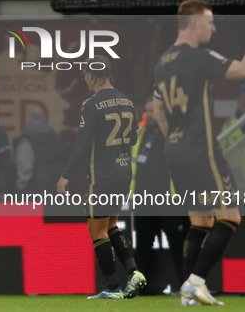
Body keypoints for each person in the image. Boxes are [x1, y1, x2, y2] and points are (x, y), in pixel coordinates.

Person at [153, 0, 245, 306]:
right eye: (210, 22)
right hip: (201, 150)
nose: (213, 28)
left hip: (174, 150)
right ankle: (196, 282)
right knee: (230, 217)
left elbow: (159, 112)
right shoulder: (197, 56)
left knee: (200, 222)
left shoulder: (162, 62)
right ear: (194, 23)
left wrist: (175, 139)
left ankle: (188, 295)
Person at [57, 55, 145, 300]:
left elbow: (83, 144)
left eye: (86, 73)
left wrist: (66, 175)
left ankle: (113, 288)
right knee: (111, 225)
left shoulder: (92, 104)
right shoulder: (127, 101)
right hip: (124, 173)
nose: (85, 78)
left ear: (93, 75)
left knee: (97, 232)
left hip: (102, 176)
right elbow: (134, 139)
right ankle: (134, 272)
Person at [132, 96, 189, 294]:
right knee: (142, 247)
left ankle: (188, 287)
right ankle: (140, 290)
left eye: (154, 110)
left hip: (170, 202)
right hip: (143, 202)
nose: (149, 114)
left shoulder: (175, 135)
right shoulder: (139, 135)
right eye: (147, 110)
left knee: (179, 247)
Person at [14, 110, 69, 194]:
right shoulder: (60, 140)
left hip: (35, 189)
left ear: (28, 121)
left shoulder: (27, 140)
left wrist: (21, 187)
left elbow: (25, 166)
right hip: (58, 189)